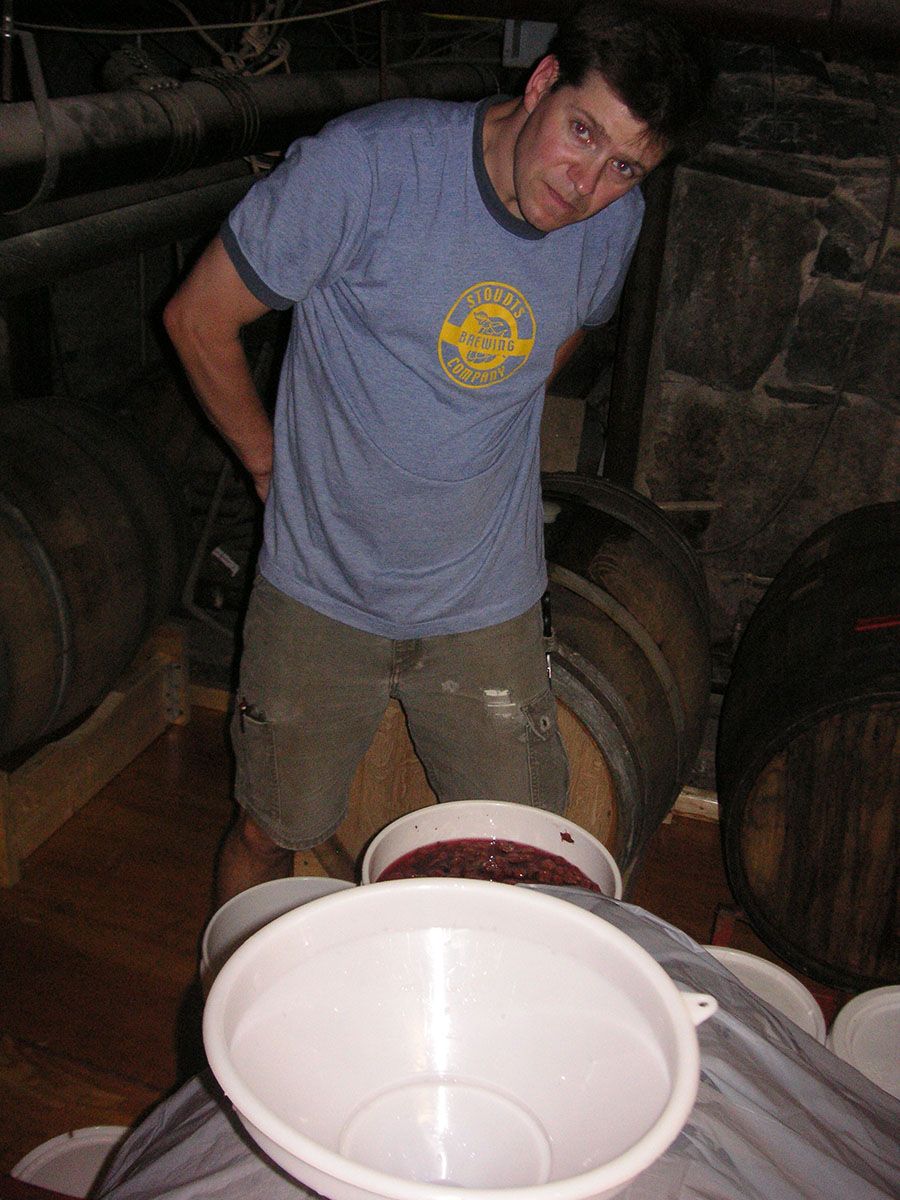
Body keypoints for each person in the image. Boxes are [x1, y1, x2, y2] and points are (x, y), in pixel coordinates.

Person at [163, 0, 715, 908]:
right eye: (582, 132)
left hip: (483, 601)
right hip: (320, 591)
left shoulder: (615, 224)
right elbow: (197, 317)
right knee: (270, 830)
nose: (586, 184)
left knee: (533, 861)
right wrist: (267, 463)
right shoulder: (366, 167)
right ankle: (226, 1017)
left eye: (624, 165)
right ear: (540, 82)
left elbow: (558, 341)